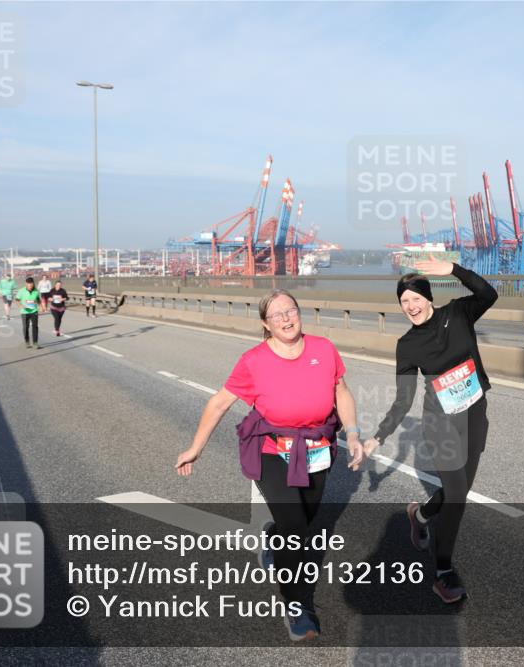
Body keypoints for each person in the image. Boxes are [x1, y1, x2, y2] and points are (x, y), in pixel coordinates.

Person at [175, 289, 365, 642]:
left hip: (317, 446)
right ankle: (296, 605)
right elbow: (219, 404)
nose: (286, 318)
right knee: (297, 530)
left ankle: (272, 539)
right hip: (272, 450)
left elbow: (341, 391)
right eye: (276, 315)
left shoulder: (323, 349)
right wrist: (195, 447)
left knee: (305, 520)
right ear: (265, 323)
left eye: (290, 310)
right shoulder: (254, 360)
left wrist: (352, 434)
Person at [364, 258, 498, 604]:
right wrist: (378, 436)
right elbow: (403, 399)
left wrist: (453, 269)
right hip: (439, 424)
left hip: (474, 415)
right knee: (455, 498)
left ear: (428, 297)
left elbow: (489, 293)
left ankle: (419, 514)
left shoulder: (459, 313)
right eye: (403, 302)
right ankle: (442, 573)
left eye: (415, 298)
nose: (410, 306)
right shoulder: (407, 345)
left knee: (460, 492)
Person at [16, 277, 41, 349]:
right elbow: (17, 300)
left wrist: (41, 306)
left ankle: (35, 343)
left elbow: (38, 300)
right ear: (26, 284)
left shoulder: (36, 291)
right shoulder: (21, 291)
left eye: (31, 284)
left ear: (33, 284)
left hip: (34, 311)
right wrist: (21, 306)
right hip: (25, 312)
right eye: (28, 284)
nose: (30, 286)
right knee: (25, 327)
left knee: (35, 327)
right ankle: (27, 341)